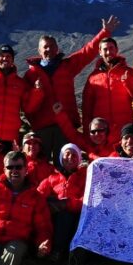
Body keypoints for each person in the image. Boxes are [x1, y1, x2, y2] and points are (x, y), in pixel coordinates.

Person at [25, 16, 119, 158]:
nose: (49, 49)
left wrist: (105, 32)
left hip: (66, 126)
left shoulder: (67, 66)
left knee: (66, 162)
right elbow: (27, 106)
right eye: (45, 47)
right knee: (41, 163)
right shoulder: (31, 74)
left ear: (57, 49)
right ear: (39, 50)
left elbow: (87, 52)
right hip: (42, 127)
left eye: (52, 46)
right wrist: (37, 91)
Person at [82, 37, 133, 140]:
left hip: (123, 131)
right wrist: (87, 133)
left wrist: (129, 83)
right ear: (100, 52)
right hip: (101, 134)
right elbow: (87, 109)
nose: (108, 52)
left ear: (116, 50)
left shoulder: (128, 72)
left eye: (111, 48)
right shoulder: (93, 78)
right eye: (105, 49)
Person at [37, 143, 88, 259]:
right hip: (55, 213)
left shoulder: (85, 177)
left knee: (65, 216)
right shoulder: (52, 177)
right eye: (67, 154)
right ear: (61, 157)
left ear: (79, 159)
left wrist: (67, 204)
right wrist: (48, 204)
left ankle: (58, 251)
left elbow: (87, 200)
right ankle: (43, 247)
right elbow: (38, 194)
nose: (70, 157)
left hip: (75, 215)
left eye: (74, 155)